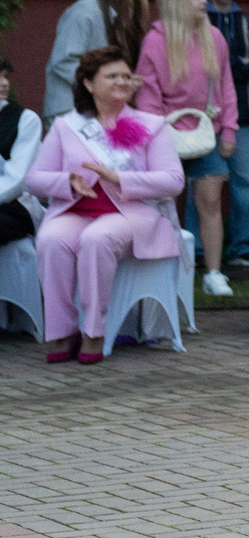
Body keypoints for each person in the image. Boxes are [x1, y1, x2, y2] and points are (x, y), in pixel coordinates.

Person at [28, 49, 184, 362]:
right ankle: (62, 331)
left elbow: (173, 180)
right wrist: (67, 181)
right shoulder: (66, 127)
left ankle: (94, 331)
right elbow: (34, 179)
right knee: (51, 239)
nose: (121, 82)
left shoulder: (151, 125)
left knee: (97, 239)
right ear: (88, 84)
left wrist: (120, 178)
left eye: (126, 76)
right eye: (111, 76)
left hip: (132, 214)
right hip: (77, 211)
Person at [135, 0, 240, 299]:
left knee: (210, 202)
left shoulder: (214, 37)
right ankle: (160, 271)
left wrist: (229, 129)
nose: (203, 2)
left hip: (206, 132)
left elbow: (226, 88)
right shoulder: (155, 40)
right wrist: (156, 134)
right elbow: (146, 95)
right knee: (162, 205)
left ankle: (213, 273)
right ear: (179, 1)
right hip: (164, 136)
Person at [201, 0, 249, 271]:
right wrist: (236, 63)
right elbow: (203, 65)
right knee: (201, 184)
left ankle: (242, 247)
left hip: (241, 114)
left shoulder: (247, 21)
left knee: (246, 183)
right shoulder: (200, 19)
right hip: (202, 116)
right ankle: (199, 248)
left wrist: (229, 67)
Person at [44, 0, 146, 119]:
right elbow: (63, 61)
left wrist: (123, 80)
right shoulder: (84, 12)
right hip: (71, 112)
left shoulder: (120, 15)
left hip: (95, 111)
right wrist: (107, 83)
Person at [0, 56, 38, 251]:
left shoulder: (25, 119)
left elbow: (17, 180)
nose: (4, 83)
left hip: (13, 206)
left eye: (5, 76)